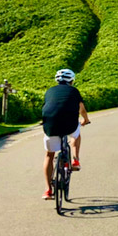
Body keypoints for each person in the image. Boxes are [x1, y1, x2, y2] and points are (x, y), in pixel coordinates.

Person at [41, 68, 91, 199]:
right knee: (76, 134)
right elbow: (82, 109)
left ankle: (48, 190)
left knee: (49, 156)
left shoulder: (50, 91)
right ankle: (75, 160)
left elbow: (48, 107)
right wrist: (85, 120)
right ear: (72, 81)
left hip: (50, 124)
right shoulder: (74, 91)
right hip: (69, 124)